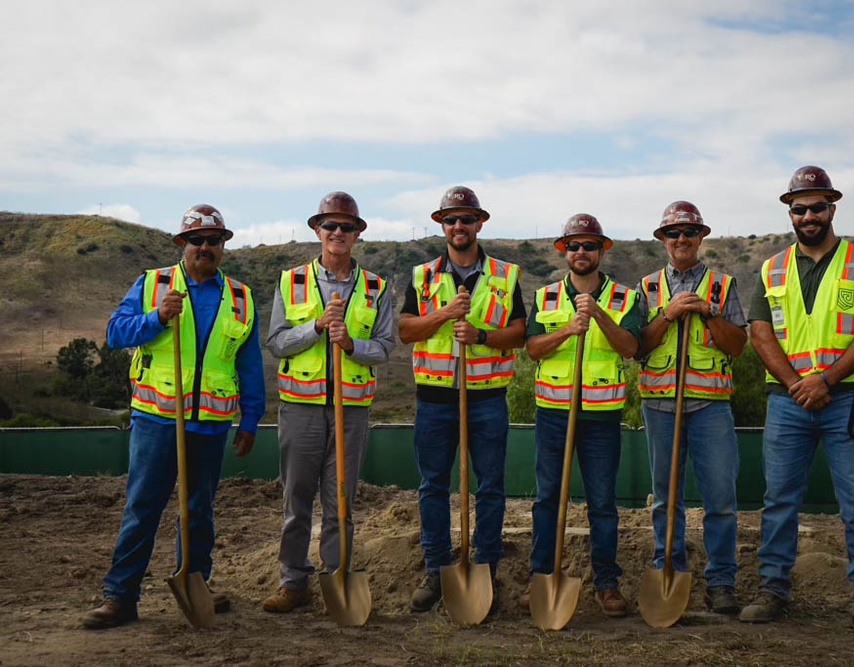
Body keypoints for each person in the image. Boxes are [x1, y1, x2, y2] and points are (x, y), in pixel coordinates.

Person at [82, 205, 265, 629]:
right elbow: (114, 333)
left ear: (223, 247)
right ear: (182, 244)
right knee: (143, 506)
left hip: (211, 422)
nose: (205, 247)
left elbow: (249, 364)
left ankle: (196, 583)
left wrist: (251, 419)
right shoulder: (152, 284)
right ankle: (120, 596)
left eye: (214, 241)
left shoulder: (241, 297)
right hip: (157, 419)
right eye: (196, 240)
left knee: (200, 509)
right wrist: (156, 318)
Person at [740, 166, 854, 634]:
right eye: (799, 208)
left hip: (845, 401)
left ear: (833, 207)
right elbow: (761, 334)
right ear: (789, 213)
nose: (808, 216)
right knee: (779, 499)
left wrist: (824, 381)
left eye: (817, 207)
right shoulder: (771, 269)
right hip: (789, 402)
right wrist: (796, 384)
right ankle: (773, 590)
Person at [262, 192, 394, 613]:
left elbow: (386, 347)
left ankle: (338, 578)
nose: (338, 233)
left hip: (351, 410)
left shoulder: (376, 288)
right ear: (317, 230)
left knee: (341, 500)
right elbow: (277, 343)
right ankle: (293, 582)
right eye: (330, 226)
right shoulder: (291, 281)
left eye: (347, 227)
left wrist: (352, 344)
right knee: (296, 498)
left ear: (358, 234)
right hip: (301, 407)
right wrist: (316, 327)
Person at [398, 186, 526, 613]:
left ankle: (485, 567)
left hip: (487, 397)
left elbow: (521, 335)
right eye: (451, 219)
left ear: (479, 223)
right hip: (435, 400)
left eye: (466, 219)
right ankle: (436, 569)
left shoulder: (506, 276)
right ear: (441, 225)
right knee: (433, 486)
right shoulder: (422, 277)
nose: (458, 226)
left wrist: (481, 336)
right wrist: (444, 315)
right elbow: (406, 331)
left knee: (490, 487)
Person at [521, 213, 641, 618]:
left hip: (601, 417)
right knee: (548, 499)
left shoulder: (625, 298)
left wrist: (599, 317)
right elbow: (533, 349)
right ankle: (542, 577)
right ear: (564, 251)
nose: (581, 252)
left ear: (602, 250)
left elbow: (630, 348)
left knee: (603, 504)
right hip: (554, 413)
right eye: (573, 245)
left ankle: (606, 583)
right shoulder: (545, 296)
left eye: (589, 245)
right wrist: (568, 329)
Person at [636, 201, 747, 615]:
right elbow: (636, 346)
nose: (681, 239)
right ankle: (668, 569)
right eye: (673, 233)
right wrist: (666, 315)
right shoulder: (646, 288)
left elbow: (737, 345)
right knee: (666, 499)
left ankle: (721, 582)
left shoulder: (722, 285)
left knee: (720, 498)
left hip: (710, 406)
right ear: (662, 240)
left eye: (689, 232)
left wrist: (707, 311)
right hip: (660, 404)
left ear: (702, 237)